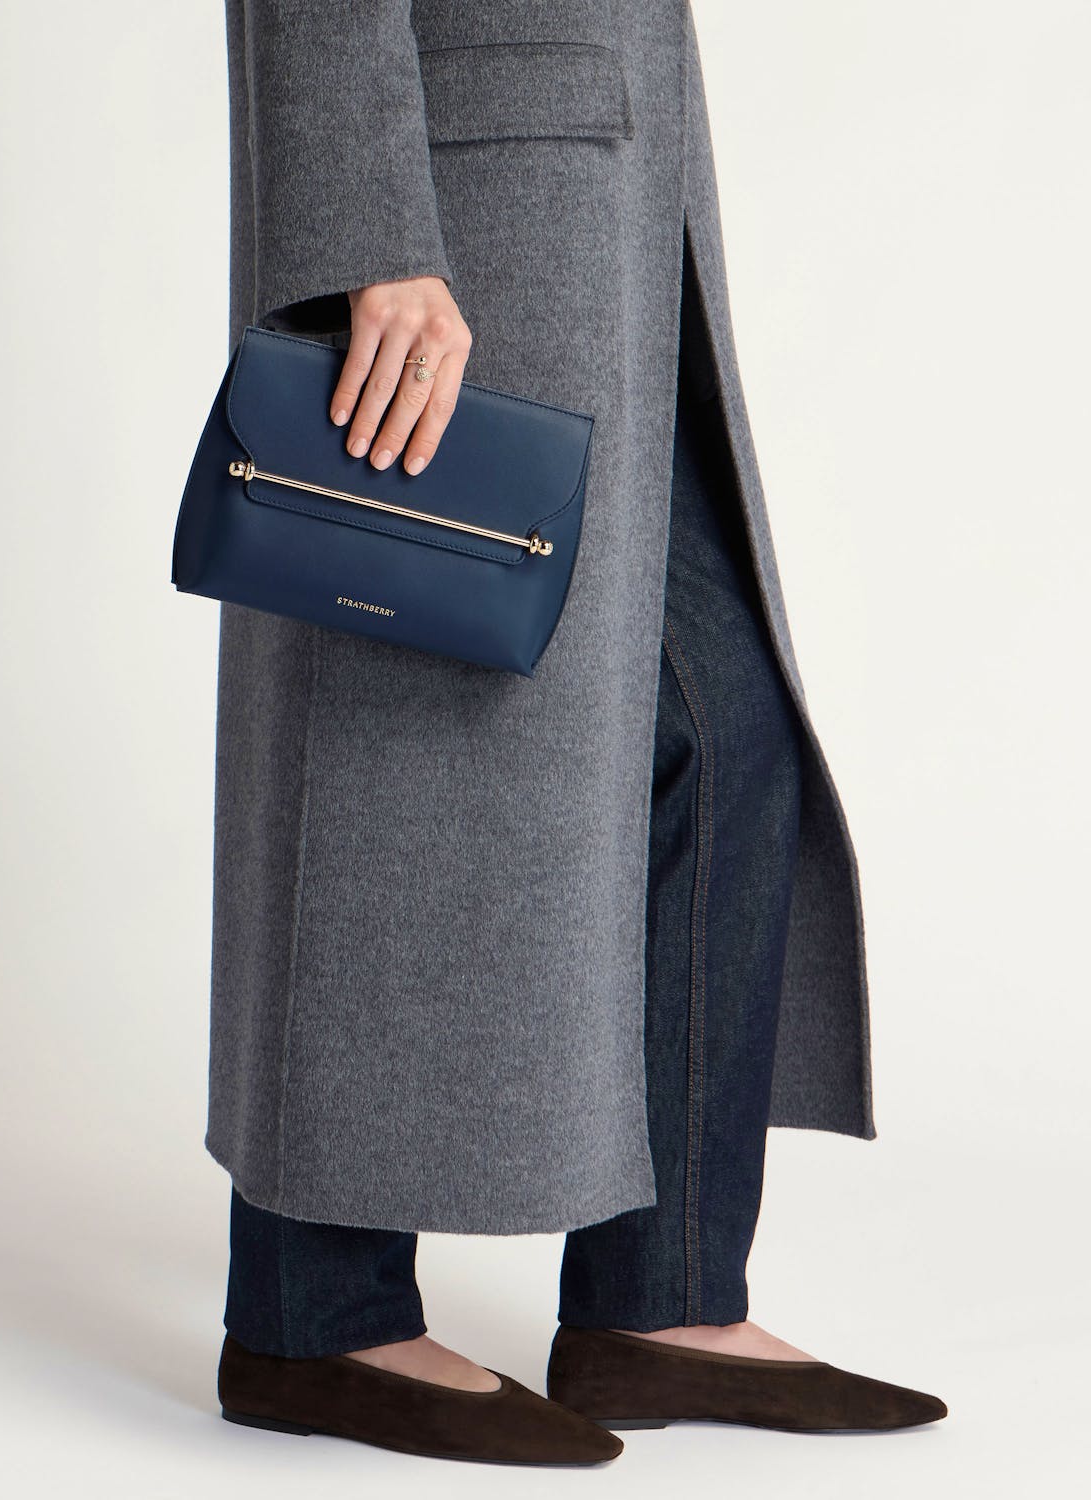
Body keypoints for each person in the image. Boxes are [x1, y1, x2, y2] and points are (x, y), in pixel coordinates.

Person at [206, 2, 947, 1466]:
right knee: (397, 728)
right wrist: (370, 231)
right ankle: (312, 1316)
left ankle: (658, 1301)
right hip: (463, 208)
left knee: (723, 735)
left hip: (607, 192)